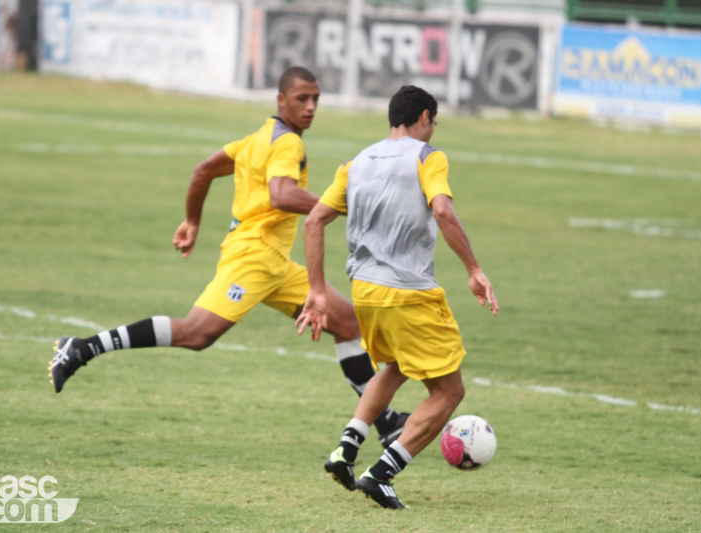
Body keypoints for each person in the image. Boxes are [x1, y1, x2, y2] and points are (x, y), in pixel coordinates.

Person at [48, 66, 408, 447]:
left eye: (316, 98)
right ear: (280, 100)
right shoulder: (288, 144)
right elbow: (281, 194)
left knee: (349, 324)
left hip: (275, 264)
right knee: (196, 333)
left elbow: (202, 171)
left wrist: (191, 220)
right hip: (253, 258)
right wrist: (343, 205)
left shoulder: (256, 139)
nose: (310, 107)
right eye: (302, 98)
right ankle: (82, 347)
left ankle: (385, 423)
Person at [295, 85, 499, 509]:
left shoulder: (357, 162)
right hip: (408, 292)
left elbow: (314, 221)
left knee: (394, 367)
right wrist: (474, 270)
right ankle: (381, 473)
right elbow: (442, 210)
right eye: (434, 122)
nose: (433, 129)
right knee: (449, 391)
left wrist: (317, 290)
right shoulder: (428, 157)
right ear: (424, 116)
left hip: (364, 292)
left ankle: (345, 451)